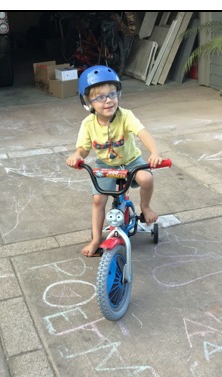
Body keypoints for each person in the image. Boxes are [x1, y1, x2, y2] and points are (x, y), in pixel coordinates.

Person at [66, 65, 163, 257]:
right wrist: (77, 156)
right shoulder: (87, 124)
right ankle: (95, 239)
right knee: (98, 200)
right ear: (87, 103)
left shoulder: (126, 116)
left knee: (146, 179)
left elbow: (142, 133)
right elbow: (84, 149)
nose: (108, 100)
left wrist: (154, 152)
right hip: (106, 165)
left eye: (112, 94)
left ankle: (144, 206)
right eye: (100, 97)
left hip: (131, 161)